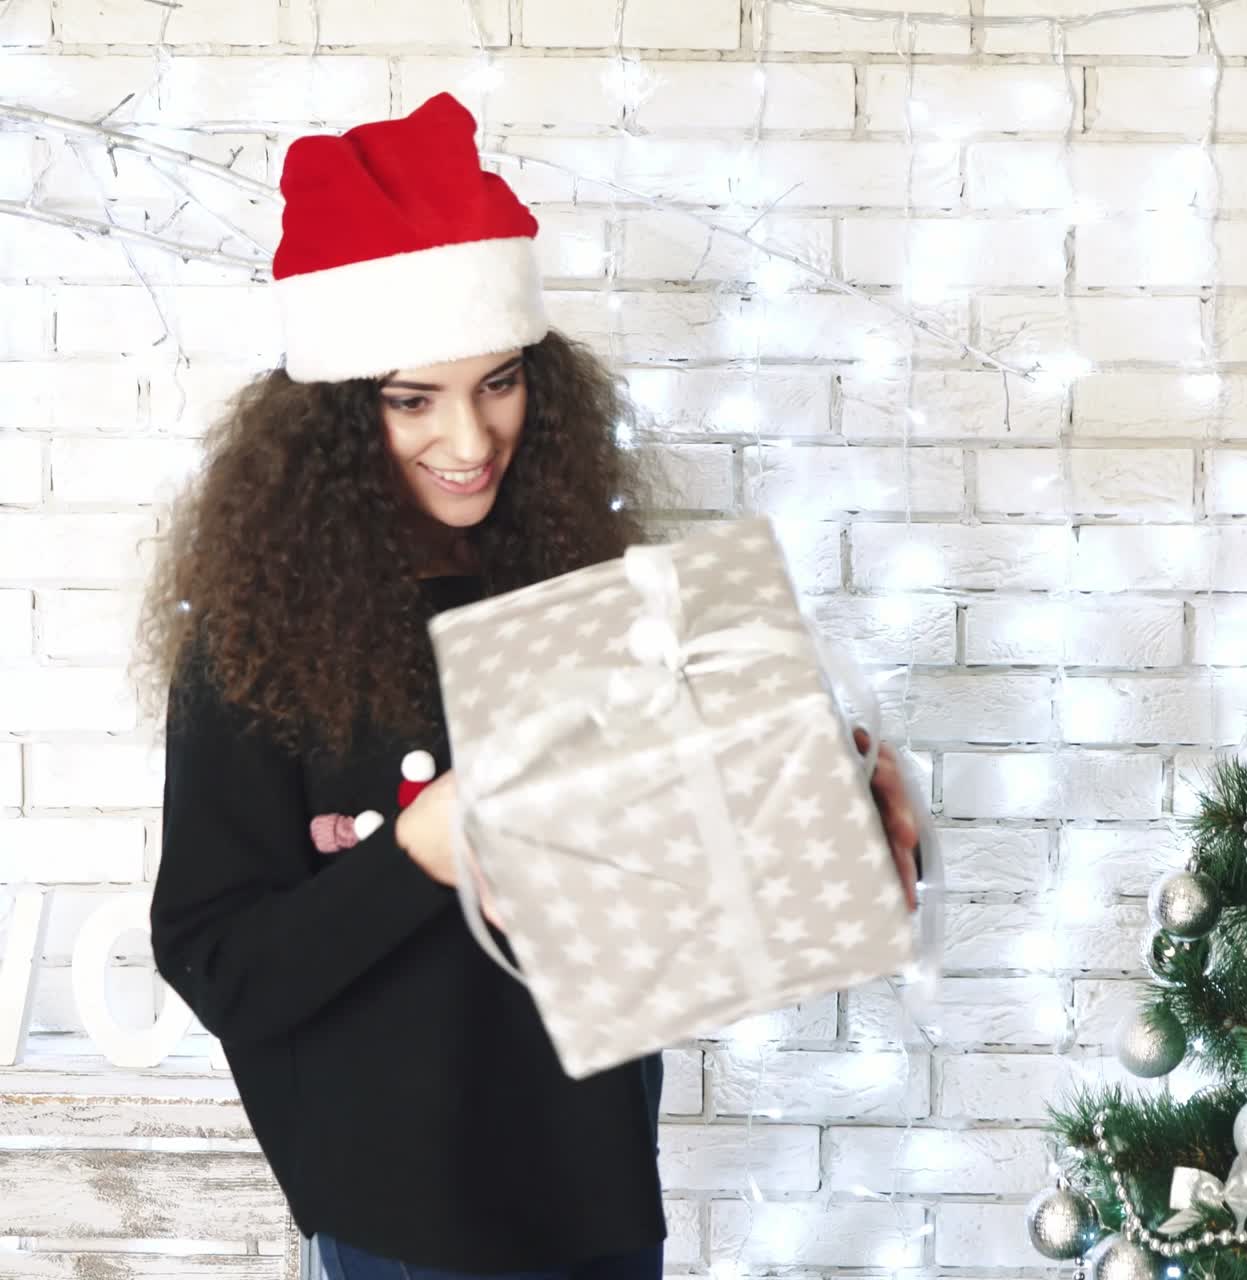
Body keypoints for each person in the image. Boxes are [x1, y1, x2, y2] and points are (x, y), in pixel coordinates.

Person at [138, 93, 920, 1280]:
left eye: (499, 383)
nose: (471, 437)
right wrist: (415, 854)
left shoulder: (581, 587)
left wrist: (834, 802)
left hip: (593, 1188)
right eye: (414, 398)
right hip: (396, 1213)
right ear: (337, 419)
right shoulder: (257, 643)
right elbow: (219, 962)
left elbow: (671, 872)